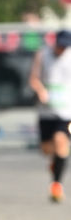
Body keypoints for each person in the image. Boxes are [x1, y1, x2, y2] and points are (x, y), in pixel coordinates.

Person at [29, 29, 71, 202]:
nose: (62, 49)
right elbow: (33, 78)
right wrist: (40, 90)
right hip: (46, 111)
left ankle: (56, 185)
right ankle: (56, 162)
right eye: (60, 46)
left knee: (61, 142)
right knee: (46, 149)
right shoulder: (42, 54)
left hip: (66, 111)